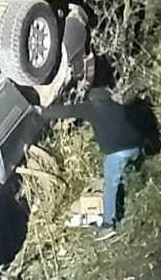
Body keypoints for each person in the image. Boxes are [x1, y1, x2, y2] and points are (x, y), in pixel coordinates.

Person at [39, 87, 145, 239]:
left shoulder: (91, 108)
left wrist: (42, 112)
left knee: (110, 185)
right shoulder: (118, 107)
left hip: (117, 153)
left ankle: (108, 224)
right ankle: (136, 176)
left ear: (93, 100)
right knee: (126, 167)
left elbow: (67, 111)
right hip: (135, 147)